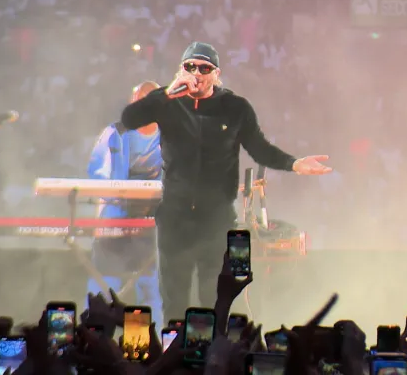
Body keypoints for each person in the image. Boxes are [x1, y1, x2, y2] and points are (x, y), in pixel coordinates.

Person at [121, 41, 332, 320]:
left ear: (216, 74)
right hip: (175, 217)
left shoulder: (235, 108)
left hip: (216, 218)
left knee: (214, 298)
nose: (197, 73)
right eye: (190, 67)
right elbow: (129, 119)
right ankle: (174, 346)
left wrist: (294, 164)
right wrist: (166, 94)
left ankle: (213, 347)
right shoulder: (168, 103)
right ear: (181, 70)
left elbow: (259, 148)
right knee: (174, 298)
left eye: (204, 68)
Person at [87, 81, 164, 325]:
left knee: (151, 287)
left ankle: (151, 340)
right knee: (103, 286)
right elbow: (97, 174)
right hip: (114, 221)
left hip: (152, 224)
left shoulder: (171, 137)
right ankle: (95, 338)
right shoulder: (115, 133)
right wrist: (122, 196)